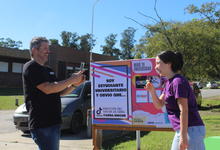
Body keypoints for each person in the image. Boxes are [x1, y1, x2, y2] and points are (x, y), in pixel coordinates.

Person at [22, 37, 85, 150]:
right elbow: (48, 88)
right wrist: (71, 79)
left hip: (54, 122)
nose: (48, 51)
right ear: (34, 50)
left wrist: (75, 84)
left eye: (48, 48)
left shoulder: (48, 70)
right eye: (45, 48)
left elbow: (59, 91)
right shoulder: (31, 67)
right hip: (42, 123)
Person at [145, 51, 205, 150]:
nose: (155, 67)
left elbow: (184, 110)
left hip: (191, 130)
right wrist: (152, 91)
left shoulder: (178, 82)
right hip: (182, 130)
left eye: (158, 63)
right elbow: (159, 105)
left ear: (169, 64)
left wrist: (183, 137)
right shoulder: (168, 82)